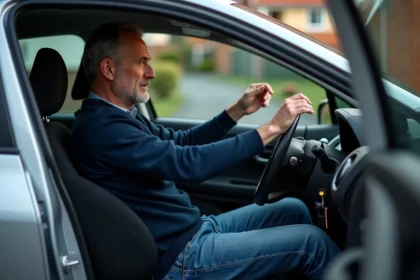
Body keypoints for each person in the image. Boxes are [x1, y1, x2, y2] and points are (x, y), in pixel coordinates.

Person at [72, 22, 340, 280]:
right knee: (311, 243)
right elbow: (187, 164)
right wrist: (271, 129)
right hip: (181, 257)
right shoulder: (103, 128)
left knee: (292, 209)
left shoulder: (121, 116)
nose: (151, 72)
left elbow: (182, 142)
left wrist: (237, 111)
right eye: (141, 62)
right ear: (108, 68)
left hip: (194, 230)